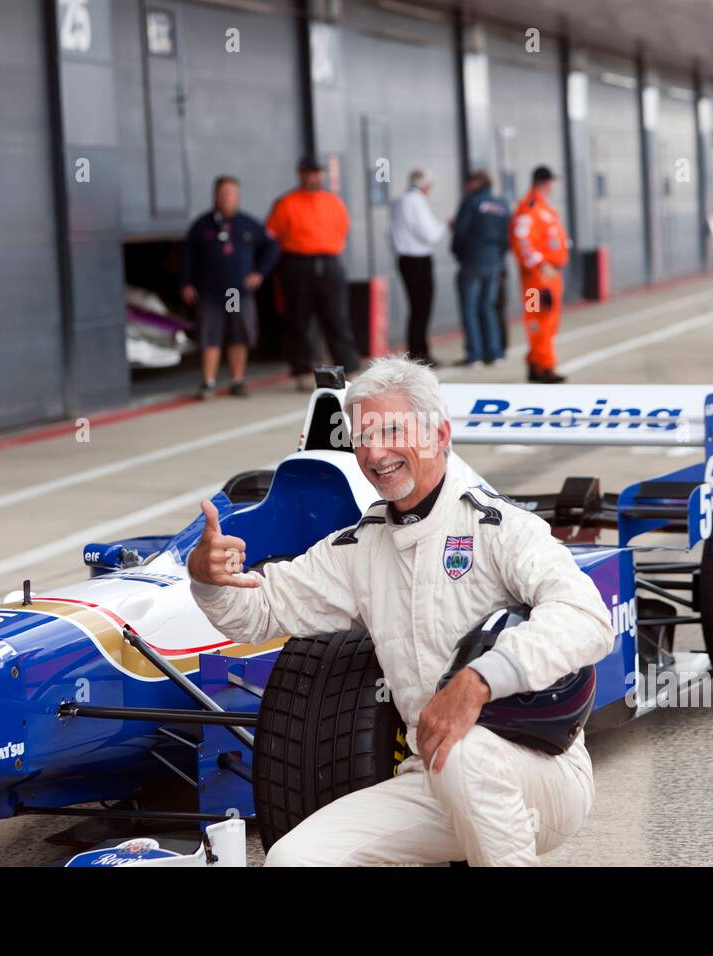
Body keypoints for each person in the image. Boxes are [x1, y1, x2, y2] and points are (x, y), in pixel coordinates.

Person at [187, 355, 613, 866]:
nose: (376, 451)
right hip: (431, 774)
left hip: (542, 774)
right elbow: (258, 613)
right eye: (363, 436)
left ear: (438, 434)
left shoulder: (499, 527)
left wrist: (477, 682)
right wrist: (207, 578)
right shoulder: (361, 548)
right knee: (295, 858)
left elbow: (587, 617)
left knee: (461, 752)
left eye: (392, 429)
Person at [180, 176, 280, 399]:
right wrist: (186, 282)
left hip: (237, 292)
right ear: (215, 195)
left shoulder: (248, 224)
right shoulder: (202, 225)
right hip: (211, 291)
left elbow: (272, 246)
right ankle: (208, 382)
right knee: (210, 336)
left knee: (238, 335)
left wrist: (260, 273)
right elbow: (187, 255)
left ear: (238, 196)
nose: (226, 198)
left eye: (231, 193)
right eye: (222, 193)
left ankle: (237, 380)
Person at [266, 157, 360, 390]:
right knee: (298, 319)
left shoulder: (333, 202)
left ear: (322, 175)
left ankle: (349, 367)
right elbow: (272, 234)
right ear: (300, 175)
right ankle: (301, 370)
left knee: (337, 317)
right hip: (297, 264)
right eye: (307, 173)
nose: (312, 177)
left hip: (329, 262)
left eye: (316, 173)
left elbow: (343, 229)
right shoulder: (286, 202)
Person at [511, 165, 570, 383]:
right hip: (536, 279)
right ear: (545, 182)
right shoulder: (530, 207)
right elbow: (521, 239)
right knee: (538, 319)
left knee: (549, 321)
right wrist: (539, 263)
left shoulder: (543, 208)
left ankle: (537, 362)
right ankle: (544, 366)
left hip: (550, 276)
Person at [389, 169, 448, 366]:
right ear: (426, 186)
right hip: (418, 259)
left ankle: (418, 351)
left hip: (405, 259)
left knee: (416, 309)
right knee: (421, 309)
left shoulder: (400, 202)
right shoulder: (416, 202)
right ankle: (419, 353)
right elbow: (430, 234)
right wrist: (446, 225)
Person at [451, 170, 510, 367]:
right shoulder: (501, 204)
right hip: (494, 261)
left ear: (477, 182)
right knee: (488, 307)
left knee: (470, 308)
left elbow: (460, 231)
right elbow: (506, 236)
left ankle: (475, 354)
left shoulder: (471, 202)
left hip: (473, 260)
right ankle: (495, 353)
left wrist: (459, 255)